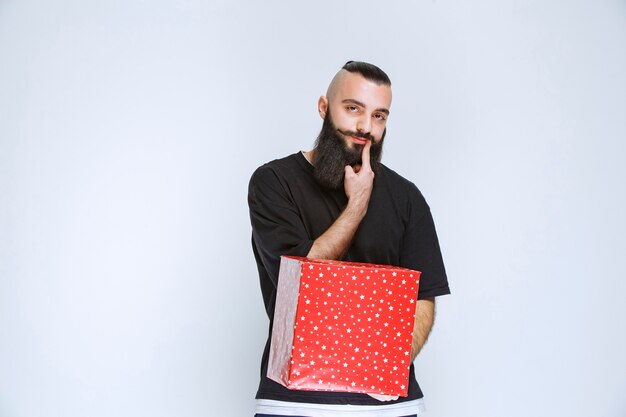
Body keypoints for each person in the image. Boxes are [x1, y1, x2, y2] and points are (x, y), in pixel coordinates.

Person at [248, 61, 451, 417]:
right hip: (294, 403)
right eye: (353, 109)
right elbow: (301, 278)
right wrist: (358, 203)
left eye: (379, 116)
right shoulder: (274, 183)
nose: (365, 127)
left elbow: (423, 298)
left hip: (389, 406)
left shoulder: (408, 198)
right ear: (324, 107)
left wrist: (381, 373)